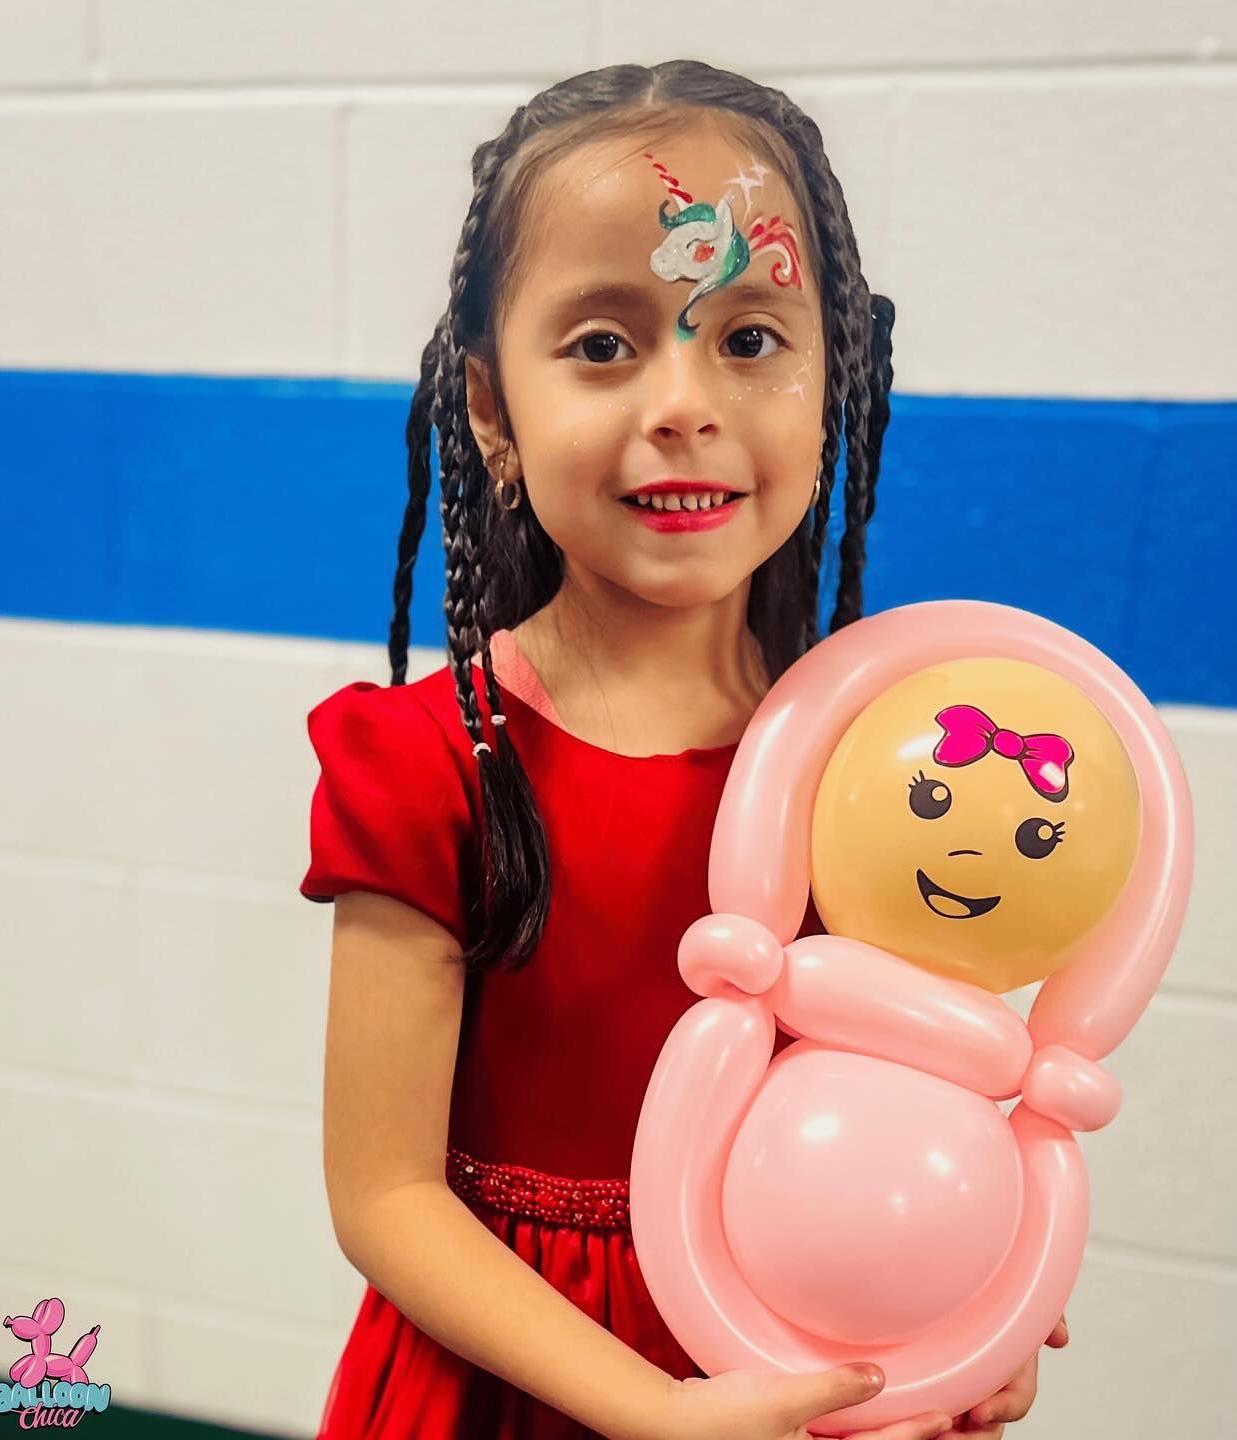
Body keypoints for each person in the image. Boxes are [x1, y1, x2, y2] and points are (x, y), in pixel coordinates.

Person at [299, 58, 1068, 1440]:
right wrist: (650, 1409)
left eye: (752, 340)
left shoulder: (889, 767)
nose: (683, 401)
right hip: (515, 1384)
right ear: (491, 412)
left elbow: (917, 1103)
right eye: (603, 344)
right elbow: (385, 1197)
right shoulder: (425, 760)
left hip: (790, 1352)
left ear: (836, 385)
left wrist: (976, 1307)